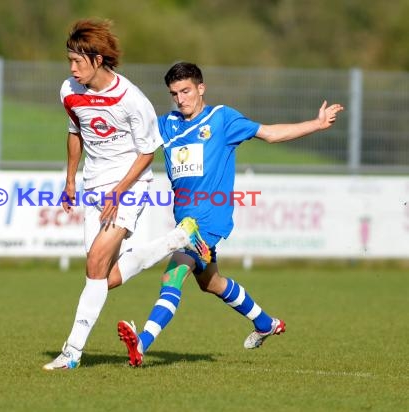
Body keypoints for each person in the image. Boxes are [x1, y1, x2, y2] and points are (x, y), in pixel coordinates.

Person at [118, 62, 345, 366]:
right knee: (211, 283)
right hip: (184, 217)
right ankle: (266, 323)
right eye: (174, 94)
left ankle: (141, 344)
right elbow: (132, 141)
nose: (180, 99)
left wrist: (316, 124)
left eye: (186, 91)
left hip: (208, 219)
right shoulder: (167, 124)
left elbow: (270, 134)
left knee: (173, 275)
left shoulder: (222, 119)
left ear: (201, 88)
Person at [43, 22, 210, 371]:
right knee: (103, 277)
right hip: (93, 185)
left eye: (77, 61)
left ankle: (72, 352)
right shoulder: (69, 90)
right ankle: (176, 240)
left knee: (95, 264)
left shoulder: (132, 100)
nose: (72, 68)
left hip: (130, 185)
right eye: (69, 60)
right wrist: (71, 179)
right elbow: (75, 132)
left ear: (98, 59)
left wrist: (119, 193)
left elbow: (147, 152)